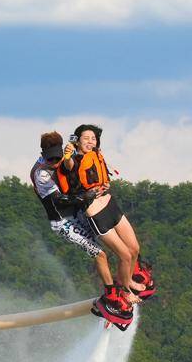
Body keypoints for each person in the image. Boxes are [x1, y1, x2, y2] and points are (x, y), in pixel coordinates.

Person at [31, 131, 131, 328]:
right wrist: (86, 196)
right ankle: (111, 298)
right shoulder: (41, 172)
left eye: (57, 157)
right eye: (50, 158)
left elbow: (84, 149)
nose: (54, 162)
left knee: (110, 240)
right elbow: (58, 199)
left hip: (78, 213)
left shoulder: (66, 152)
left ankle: (122, 287)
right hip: (63, 222)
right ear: (43, 153)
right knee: (100, 254)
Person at [66, 124, 155, 302]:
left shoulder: (96, 155)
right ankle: (124, 291)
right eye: (86, 139)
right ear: (77, 142)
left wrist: (105, 184)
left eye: (93, 138)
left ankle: (128, 280)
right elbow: (69, 166)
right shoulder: (73, 159)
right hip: (97, 215)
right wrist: (67, 153)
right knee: (124, 255)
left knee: (134, 249)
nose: (90, 142)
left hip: (111, 206)